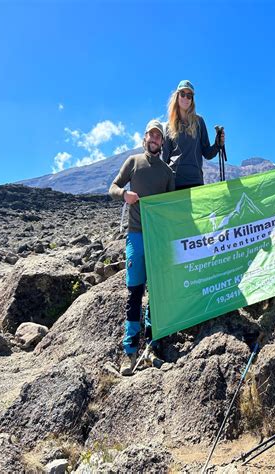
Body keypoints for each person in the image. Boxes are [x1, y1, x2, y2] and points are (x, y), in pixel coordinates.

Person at [109, 119, 175, 375]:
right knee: (134, 292)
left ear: (162, 142)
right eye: (152, 135)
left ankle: (152, 347)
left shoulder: (167, 172)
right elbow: (113, 187)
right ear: (145, 138)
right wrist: (124, 195)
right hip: (136, 235)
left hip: (158, 239)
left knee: (157, 293)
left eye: (159, 137)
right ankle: (129, 351)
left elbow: (170, 208)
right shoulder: (133, 162)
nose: (155, 139)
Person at [162, 79, 225, 190]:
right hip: (175, 182)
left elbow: (207, 153)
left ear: (192, 99)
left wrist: (217, 144)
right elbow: (165, 160)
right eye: (182, 94)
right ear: (177, 96)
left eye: (189, 95)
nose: (186, 98)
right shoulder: (168, 126)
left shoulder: (199, 122)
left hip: (195, 181)